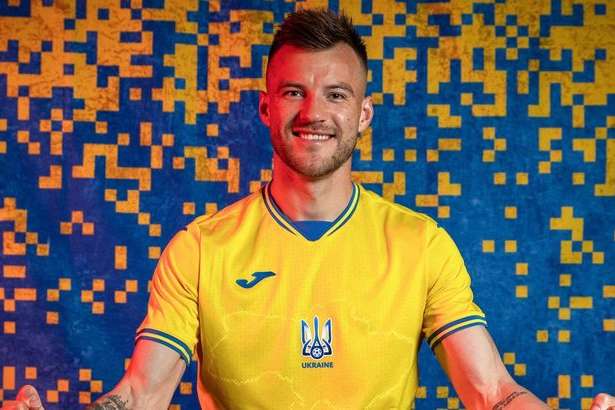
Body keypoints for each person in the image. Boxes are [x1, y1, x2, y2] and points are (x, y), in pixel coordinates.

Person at [2, 9, 613, 410]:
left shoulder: (420, 244)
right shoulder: (201, 249)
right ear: (266, 108)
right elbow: (142, 392)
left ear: (363, 115)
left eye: (336, 94)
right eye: (294, 91)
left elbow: (493, 392)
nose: (314, 111)